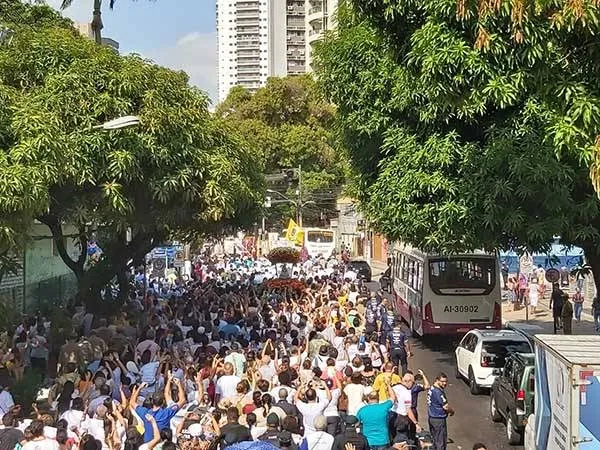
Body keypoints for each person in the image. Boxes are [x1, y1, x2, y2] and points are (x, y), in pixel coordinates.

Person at [356, 379, 397, 450]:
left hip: (368, 442)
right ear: (378, 398)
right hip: (383, 441)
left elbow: (356, 424)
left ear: (368, 398)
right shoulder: (384, 407)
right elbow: (393, 397)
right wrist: (388, 385)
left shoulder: (362, 410)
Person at [427, 373, 454, 450]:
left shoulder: (431, 388)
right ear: (437, 380)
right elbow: (446, 407)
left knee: (435, 440)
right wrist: (452, 411)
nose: (445, 383)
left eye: (446, 381)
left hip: (431, 418)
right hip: (438, 420)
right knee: (440, 442)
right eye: (442, 381)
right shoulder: (438, 392)